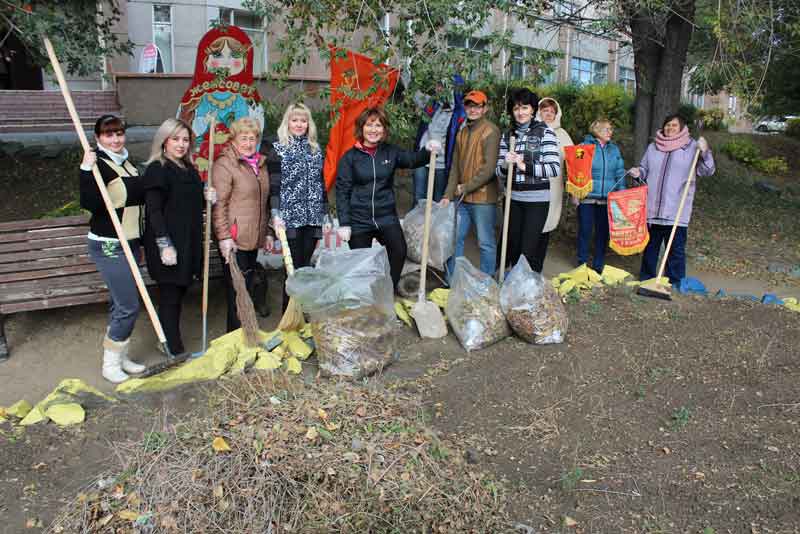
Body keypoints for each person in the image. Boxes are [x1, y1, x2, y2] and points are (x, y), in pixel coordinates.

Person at [336, 107, 437, 289]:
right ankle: (365, 298)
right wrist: (344, 223)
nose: (374, 130)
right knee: (362, 264)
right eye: (369, 125)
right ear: (362, 128)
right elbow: (342, 190)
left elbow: (413, 160)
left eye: (378, 125)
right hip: (359, 219)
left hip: (386, 216)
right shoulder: (350, 158)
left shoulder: (391, 152)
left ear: (384, 129)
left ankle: (388, 290)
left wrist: (427, 150)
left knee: (399, 250)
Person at [79, 115, 147, 383]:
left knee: (120, 303)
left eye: (119, 133)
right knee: (128, 304)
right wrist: (86, 169)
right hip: (109, 245)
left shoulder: (127, 163)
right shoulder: (99, 166)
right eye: (108, 135)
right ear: (98, 139)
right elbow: (90, 204)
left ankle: (120, 355)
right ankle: (110, 364)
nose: (115, 139)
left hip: (131, 242)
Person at [142, 118, 205, 356]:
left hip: (187, 242)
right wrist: (164, 244)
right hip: (168, 244)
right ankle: (173, 347)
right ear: (164, 141)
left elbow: (193, 204)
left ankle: (167, 339)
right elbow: (154, 211)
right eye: (175, 139)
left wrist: (206, 195)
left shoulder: (188, 169)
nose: (181, 144)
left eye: (185, 140)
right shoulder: (157, 169)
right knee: (170, 295)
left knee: (178, 294)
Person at [630, 113, 715, 284]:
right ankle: (646, 279)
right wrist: (638, 173)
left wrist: (705, 152)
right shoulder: (653, 147)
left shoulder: (692, 147)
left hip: (677, 209)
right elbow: (645, 170)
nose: (670, 128)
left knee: (675, 250)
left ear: (682, 128)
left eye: (674, 126)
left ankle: (675, 282)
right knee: (650, 247)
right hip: (653, 208)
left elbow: (708, 170)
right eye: (667, 125)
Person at [211, 117, 272, 332]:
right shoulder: (225, 164)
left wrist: (268, 231)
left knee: (246, 288)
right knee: (238, 291)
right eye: (243, 138)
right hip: (234, 239)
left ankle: (246, 334)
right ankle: (235, 338)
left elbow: (263, 202)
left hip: (252, 237)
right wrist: (224, 237)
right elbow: (219, 205)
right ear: (233, 139)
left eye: (252, 138)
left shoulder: (259, 164)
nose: (248, 143)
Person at [494, 88, 561, 274]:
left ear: (532, 110)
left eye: (524, 107)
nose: (520, 112)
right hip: (513, 198)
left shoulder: (544, 132)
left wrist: (525, 166)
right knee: (513, 247)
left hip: (537, 201)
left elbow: (554, 168)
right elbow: (498, 170)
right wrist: (506, 165)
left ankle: (526, 292)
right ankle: (513, 288)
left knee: (528, 250)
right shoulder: (508, 135)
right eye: (516, 108)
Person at [267, 103, 325, 311]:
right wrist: (275, 213)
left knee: (305, 267)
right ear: (287, 123)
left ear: (308, 124)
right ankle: (288, 313)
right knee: (292, 269)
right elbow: (274, 186)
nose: (299, 124)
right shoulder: (277, 150)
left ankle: (303, 311)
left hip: (313, 217)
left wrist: (324, 213)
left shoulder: (316, 150)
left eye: (303, 120)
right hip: (289, 218)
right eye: (295, 120)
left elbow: (320, 183)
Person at [442, 90, 501, 277]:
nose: (473, 109)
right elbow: (455, 168)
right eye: (469, 105)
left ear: (485, 108)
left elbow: (488, 169)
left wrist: (464, 188)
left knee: (485, 242)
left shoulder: (491, 131)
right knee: (455, 239)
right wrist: (447, 194)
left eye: (478, 106)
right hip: (462, 197)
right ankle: (452, 281)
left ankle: (486, 283)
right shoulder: (462, 131)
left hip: (483, 198)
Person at [575, 118, 626, 272]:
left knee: (602, 234)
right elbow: (577, 171)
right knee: (585, 231)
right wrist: (575, 193)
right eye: (607, 129)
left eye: (611, 129)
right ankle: (581, 263)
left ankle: (598, 265)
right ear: (597, 130)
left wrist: (621, 193)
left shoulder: (614, 150)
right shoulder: (584, 147)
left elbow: (619, 172)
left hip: (607, 200)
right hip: (587, 198)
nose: (610, 132)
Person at [411, 79, 465, 203]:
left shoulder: (459, 114)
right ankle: (418, 223)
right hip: (422, 159)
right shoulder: (431, 103)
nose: (438, 89)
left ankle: (434, 223)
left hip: (441, 163)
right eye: (438, 85)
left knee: (438, 200)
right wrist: (403, 70)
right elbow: (414, 92)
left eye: (442, 86)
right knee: (418, 198)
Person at [536, 97, 574, 233]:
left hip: (554, 185)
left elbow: (573, 160)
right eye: (545, 110)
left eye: (552, 111)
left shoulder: (562, 134)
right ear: (538, 111)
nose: (548, 114)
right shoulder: (531, 130)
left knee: (548, 222)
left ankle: (539, 253)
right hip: (532, 183)